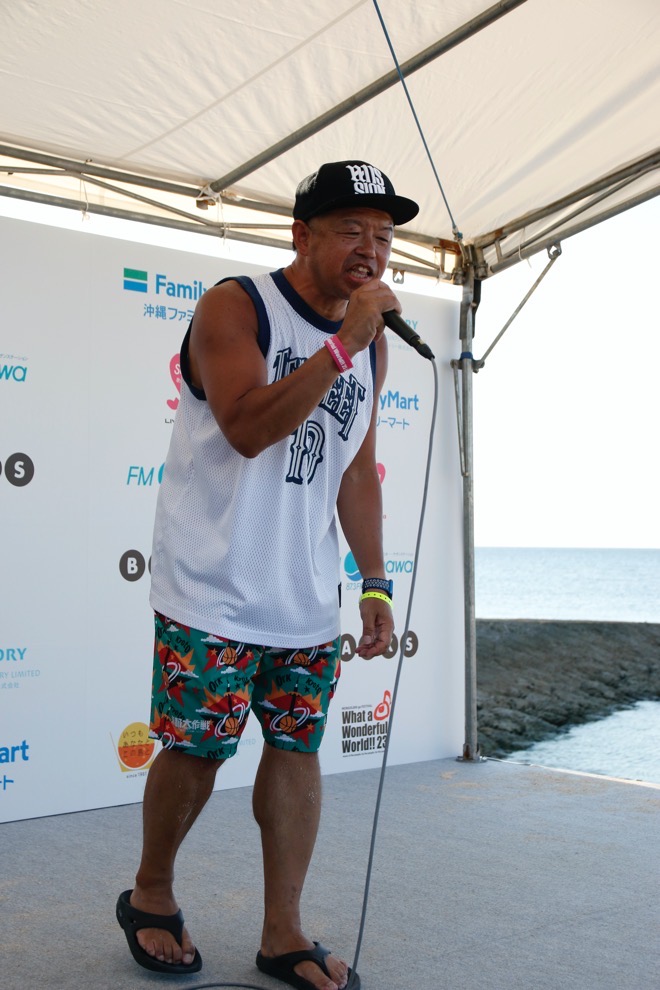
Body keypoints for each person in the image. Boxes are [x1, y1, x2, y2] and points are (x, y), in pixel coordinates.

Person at [116, 160, 419, 990]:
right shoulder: (235, 306)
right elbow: (248, 427)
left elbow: (356, 469)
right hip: (210, 589)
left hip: (303, 598)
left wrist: (375, 582)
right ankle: (151, 895)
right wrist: (342, 345)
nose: (371, 249)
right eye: (350, 229)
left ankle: (283, 932)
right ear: (301, 235)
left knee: (296, 750)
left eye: (384, 235)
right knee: (196, 751)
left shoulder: (371, 343)